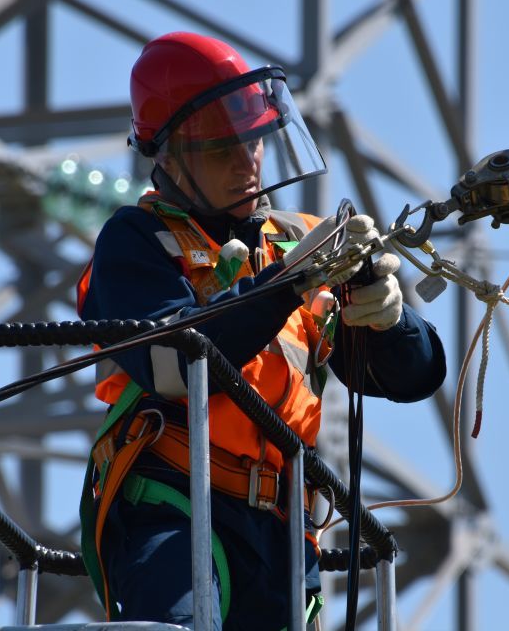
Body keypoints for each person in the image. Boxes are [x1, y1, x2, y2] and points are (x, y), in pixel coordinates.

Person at [77, 31, 446, 630]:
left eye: (252, 143)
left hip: (282, 529)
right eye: (222, 150)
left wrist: (389, 317)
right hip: (177, 499)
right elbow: (173, 369)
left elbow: (410, 378)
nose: (246, 163)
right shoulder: (138, 242)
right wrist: (285, 285)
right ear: (168, 158)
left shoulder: (296, 242)